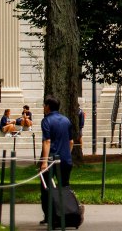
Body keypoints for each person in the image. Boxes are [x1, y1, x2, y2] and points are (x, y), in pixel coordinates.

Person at [38, 95, 73, 225]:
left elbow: (47, 141)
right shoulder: (66, 120)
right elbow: (71, 142)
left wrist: (44, 162)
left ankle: (50, 216)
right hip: (65, 160)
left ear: (48, 107)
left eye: (44, 105)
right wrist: (66, 155)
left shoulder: (46, 121)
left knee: (46, 189)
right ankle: (66, 214)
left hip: (51, 159)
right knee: (64, 187)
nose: (43, 107)